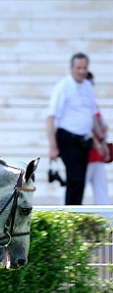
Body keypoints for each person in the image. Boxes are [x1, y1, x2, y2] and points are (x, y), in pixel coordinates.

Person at [46, 52, 107, 205]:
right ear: (72, 68)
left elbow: (93, 116)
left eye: (84, 68)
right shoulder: (63, 87)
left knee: (80, 182)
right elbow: (50, 117)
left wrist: (102, 141)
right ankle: (68, 218)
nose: (81, 71)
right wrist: (53, 147)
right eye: (78, 68)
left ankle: (75, 214)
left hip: (84, 141)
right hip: (67, 138)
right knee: (76, 178)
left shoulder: (88, 86)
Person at [85, 72, 110, 205]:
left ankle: (107, 224)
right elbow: (84, 127)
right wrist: (99, 145)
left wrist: (104, 142)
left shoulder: (93, 104)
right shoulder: (80, 104)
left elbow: (99, 127)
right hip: (85, 155)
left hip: (97, 156)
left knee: (102, 192)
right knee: (76, 191)